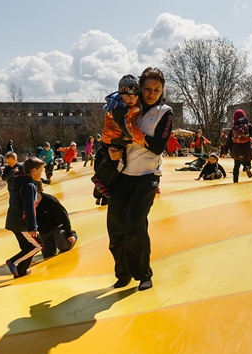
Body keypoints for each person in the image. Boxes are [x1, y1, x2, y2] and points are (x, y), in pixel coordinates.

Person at [106, 67, 173, 291]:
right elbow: (111, 135)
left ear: (162, 91)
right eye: (147, 89)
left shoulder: (165, 112)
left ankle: (143, 274)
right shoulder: (127, 106)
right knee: (115, 228)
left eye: (157, 90)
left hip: (148, 176)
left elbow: (157, 147)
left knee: (135, 224)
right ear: (140, 88)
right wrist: (111, 150)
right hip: (122, 174)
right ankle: (122, 273)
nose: (151, 93)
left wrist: (135, 134)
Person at [92, 74, 147, 198]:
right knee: (118, 162)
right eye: (127, 96)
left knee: (113, 161)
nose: (131, 99)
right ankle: (100, 181)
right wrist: (140, 138)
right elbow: (127, 128)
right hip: (114, 138)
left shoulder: (123, 105)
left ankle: (102, 183)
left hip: (114, 138)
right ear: (120, 94)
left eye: (135, 96)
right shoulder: (119, 109)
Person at [5, 157, 45, 278]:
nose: (41, 174)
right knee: (38, 245)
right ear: (33, 171)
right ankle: (13, 262)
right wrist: (32, 227)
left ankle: (21, 271)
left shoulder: (20, 182)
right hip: (21, 223)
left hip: (13, 221)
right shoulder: (29, 186)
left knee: (27, 247)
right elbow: (29, 207)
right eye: (41, 171)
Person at [224, 109, 252, 183]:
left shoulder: (234, 127)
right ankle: (247, 167)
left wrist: (224, 151)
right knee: (247, 162)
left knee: (236, 165)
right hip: (246, 148)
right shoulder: (248, 125)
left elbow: (228, 140)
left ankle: (235, 181)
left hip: (235, 148)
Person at [36, 192, 78, 258]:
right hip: (44, 231)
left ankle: (73, 235)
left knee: (64, 247)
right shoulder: (28, 204)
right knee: (48, 254)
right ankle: (54, 241)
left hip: (57, 226)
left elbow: (64, 216)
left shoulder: (50, 200)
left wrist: (69, 233)